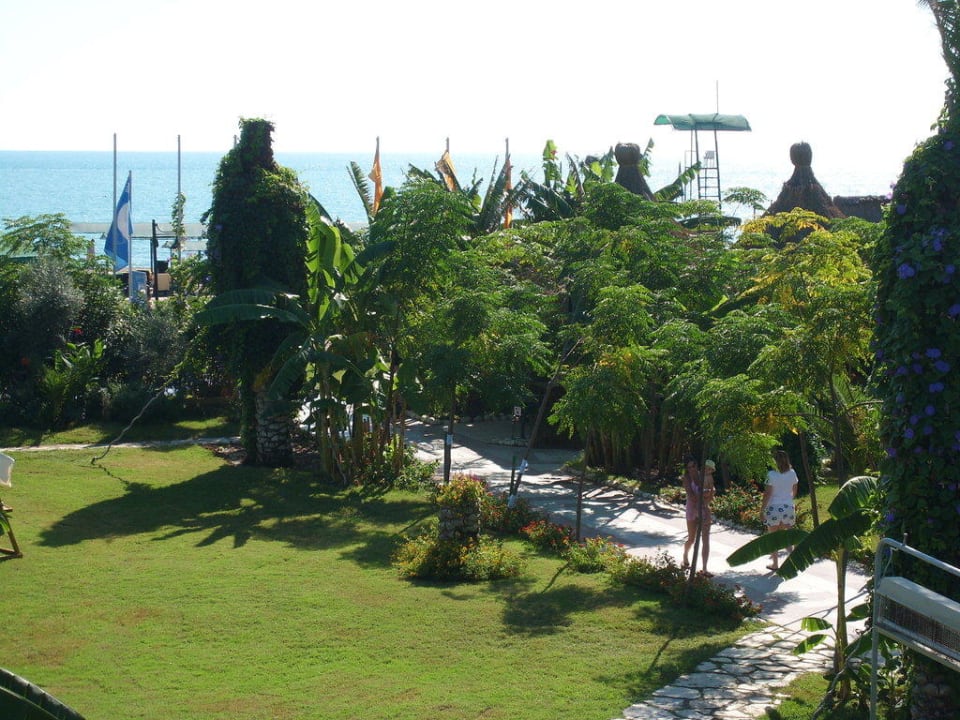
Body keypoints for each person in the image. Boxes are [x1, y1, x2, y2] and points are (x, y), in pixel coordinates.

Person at [762, 449, 799, 571]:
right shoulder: (792, 473)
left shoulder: (771, 475)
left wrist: (762, 510)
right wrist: (788, 500)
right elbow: (794, 490)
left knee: (773, 537)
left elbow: (767, 494)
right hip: (788, 507)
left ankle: (775, 564)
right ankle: (793, 562)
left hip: (774, 507)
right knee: (788, 536)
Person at [682, 457, 716, 576]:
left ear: (697, 466)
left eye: (694, 466)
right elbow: (692, 496)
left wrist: (708, 495)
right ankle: (685, 555)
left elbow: (711, 494)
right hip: (692, 510)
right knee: (692, 539)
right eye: (689, 467)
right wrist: (704, 494)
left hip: (704, 510)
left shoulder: (705, 476)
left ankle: (704, 568)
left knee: (705, 539)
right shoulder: (686, 478)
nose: (692, 469)